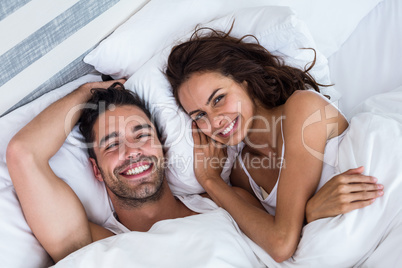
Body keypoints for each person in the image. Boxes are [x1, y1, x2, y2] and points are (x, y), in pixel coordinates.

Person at [6, 79, 379, 264]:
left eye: (141, 134)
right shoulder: (91, 243)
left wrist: (309, 211)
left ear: (163, 150)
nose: (132, 151)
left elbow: (284, 235)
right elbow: (23, 155)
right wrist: (89, 90)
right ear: (96, 171)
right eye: (111, 144)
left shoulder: (225, 202)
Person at [165, 28, 384, 262]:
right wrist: (211, 181)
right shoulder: (243, 175)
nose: (214, 121)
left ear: (244, 81)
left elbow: (282, 242)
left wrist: (308, 213)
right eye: (199, 115)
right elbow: (274, 248)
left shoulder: (303, 108)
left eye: (218, 99)